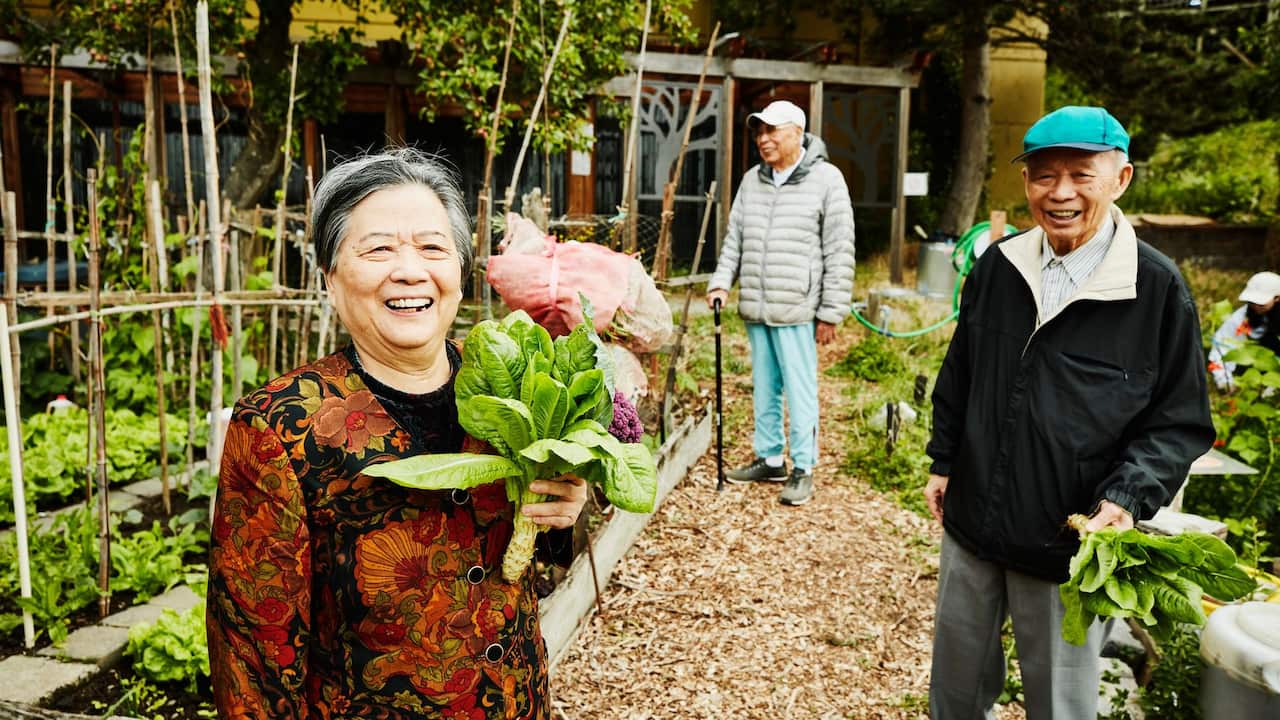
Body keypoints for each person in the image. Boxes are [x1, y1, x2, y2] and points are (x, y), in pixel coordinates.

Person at [207, 148, 588, 719]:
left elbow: (544, 547)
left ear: (459, 273)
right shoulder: (278, 428)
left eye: (433, 247)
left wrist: (565, 506)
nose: (410, 270)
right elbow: (253, 664)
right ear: (331, 279)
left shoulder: (509, 384)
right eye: (379, 248)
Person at [924, 106, 1214, 719]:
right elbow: (961, 373)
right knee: (954, 690)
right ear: (1026, 181)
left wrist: (1127, 497)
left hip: (1069, 543)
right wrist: (943, 459)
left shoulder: (1154, 288)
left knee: (1060, 704)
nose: (1059, 193)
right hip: (973, 520)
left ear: (1121, 179)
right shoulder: (1000, 265)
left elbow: (1178, 421)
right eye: (1043, 175)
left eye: (1081, 175)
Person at [706, 99, 855, 506]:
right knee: (764, 386)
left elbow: (840, 249)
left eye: (772, 130)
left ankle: (803, 466)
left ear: (797, 133)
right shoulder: (752, 180)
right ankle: (771, 459)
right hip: (757, 304)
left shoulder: (827, 179)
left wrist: (831, 312)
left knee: (800, 390)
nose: (763, 139)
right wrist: (721, 283)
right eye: (759, 131)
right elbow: (735, 239)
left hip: (797, 307)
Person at [1207, 270, 1280, 389]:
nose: (1256, 307)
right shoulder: (1241, 318)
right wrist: (1224, 381)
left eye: (1261, 303)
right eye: (1252, 302)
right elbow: (1221, 347)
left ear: (1277, 298)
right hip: (1263, 366)